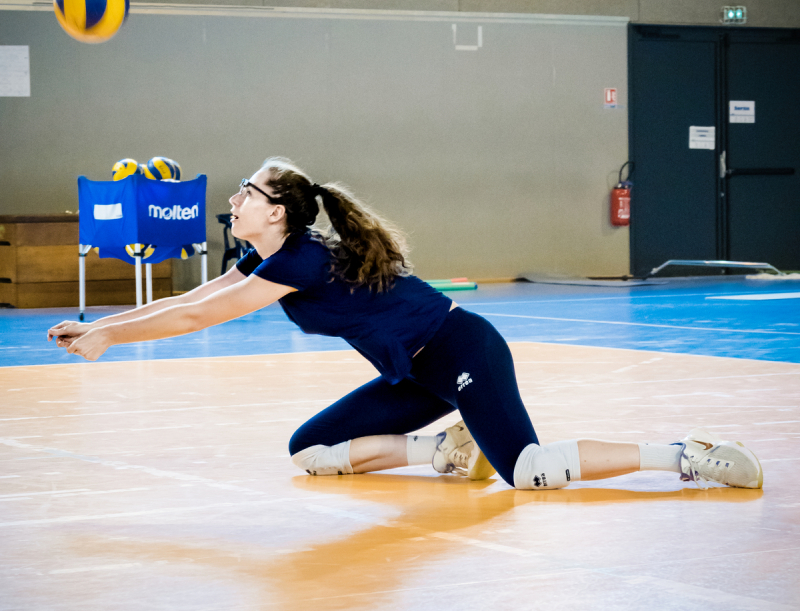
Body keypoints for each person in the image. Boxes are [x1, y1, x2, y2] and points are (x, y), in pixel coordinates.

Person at [48, 158, 763, 491]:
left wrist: (108, 339)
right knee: (310, 450)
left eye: (248, 192)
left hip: (462, 348)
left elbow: (197, 315)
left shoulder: (298, 260)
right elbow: (193, 298)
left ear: (278, 212)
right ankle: (446, 448)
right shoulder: (263, 256)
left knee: (528, 470)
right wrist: (103, 324)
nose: (235, 199)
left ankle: (684, 456)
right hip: (415, 372)